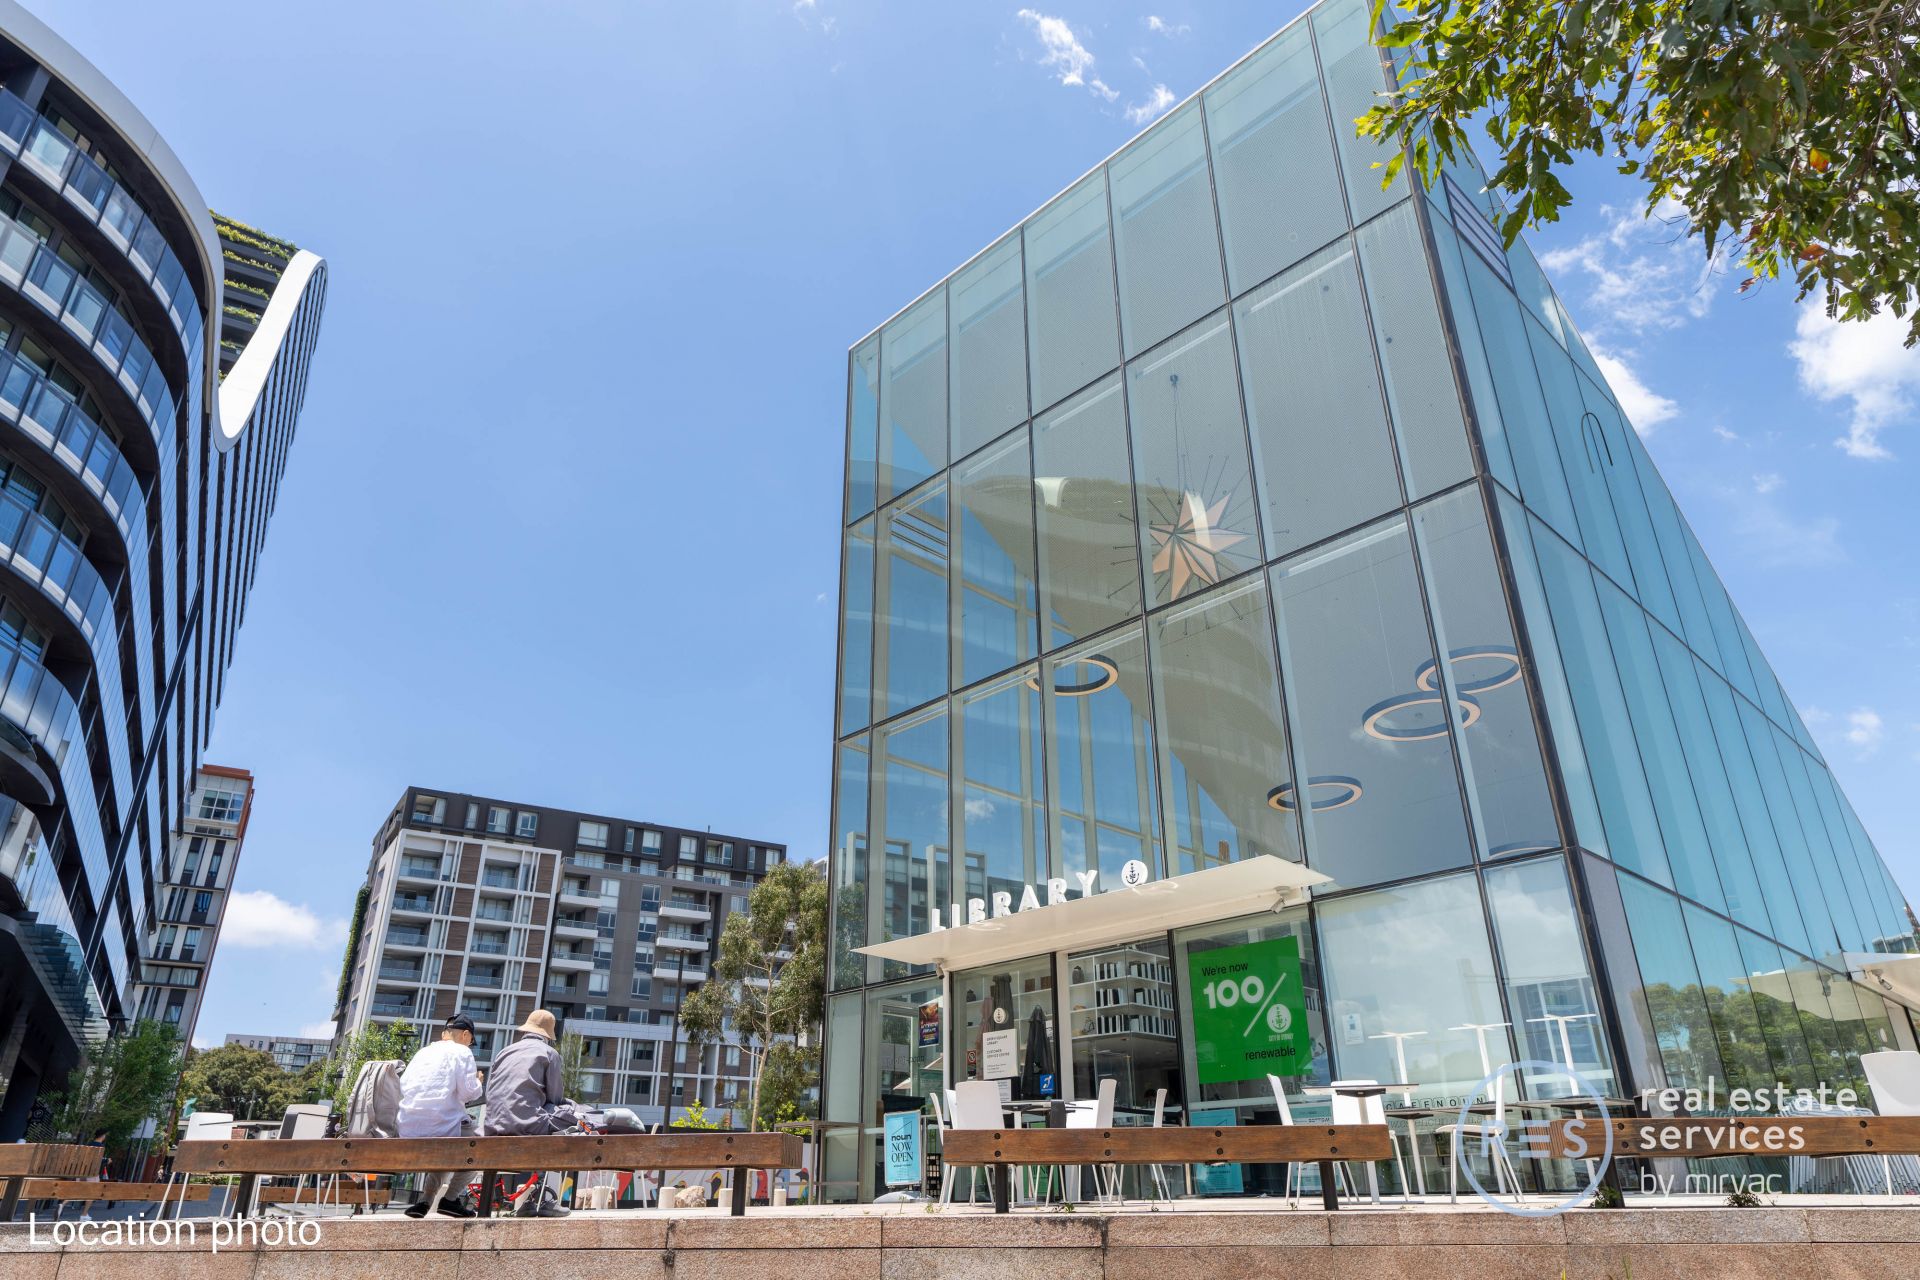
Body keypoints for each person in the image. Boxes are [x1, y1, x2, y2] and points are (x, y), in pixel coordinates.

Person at [483, 1008, 575, 1218]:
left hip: (493, 1126)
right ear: (548, 1035)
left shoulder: (504, 1051)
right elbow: (555, 1097)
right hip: (526, 1126)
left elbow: (491, 1091)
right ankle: (544, 1198)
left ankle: (532, 1199)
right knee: (565, 1116)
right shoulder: (549, 1053)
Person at [398, 1014, 483, 1219]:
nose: (470, 1045)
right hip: (442, 1130)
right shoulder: (462, 1052)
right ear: (465, 1035)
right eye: (471, 1041)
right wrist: (478, 1081)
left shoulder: (422, 1052)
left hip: (408, 1130)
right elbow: (469, 1093)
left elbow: (404, 1086)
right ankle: (450, 1199)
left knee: (450, 1136)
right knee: (481, 1147)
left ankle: (425, 1201)